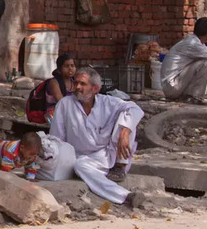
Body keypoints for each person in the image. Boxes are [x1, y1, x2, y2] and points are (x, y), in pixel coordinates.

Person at [49, 67, 146, 207]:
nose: (77, 87)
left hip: (108, 155)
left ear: (94, 89)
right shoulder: (65, 104)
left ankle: (120, 167)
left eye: (82, 84)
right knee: (79, 165)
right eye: (75, 83)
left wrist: (125, 132)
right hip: (81, 159)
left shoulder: (109, 103)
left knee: (128, 121)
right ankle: (126, 196)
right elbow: (56, 137)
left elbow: (135, 109)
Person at [161, 17, 207, 103]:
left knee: (206, 62)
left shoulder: (196, 42)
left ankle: (187, 96)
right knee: (204, 64)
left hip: (172, 85)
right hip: (171, 87)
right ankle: (195, 97)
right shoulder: (193, 44)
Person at [25, 53, 76, 123]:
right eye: (66, 66)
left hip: (67, 113)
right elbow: (62, 102)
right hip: (52, 116)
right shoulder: (54, 82)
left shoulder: (74, 82)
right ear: (60, 68)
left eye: (72, 66)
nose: (70, 68)